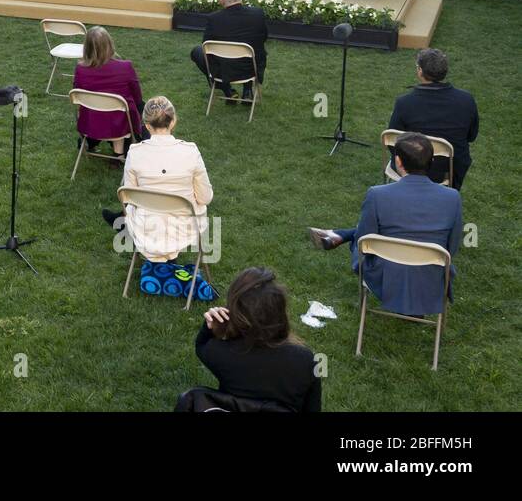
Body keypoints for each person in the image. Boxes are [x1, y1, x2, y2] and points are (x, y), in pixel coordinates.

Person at [308, 132, 463, 317]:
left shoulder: (377, 195)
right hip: (431, 279)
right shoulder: (452, 198)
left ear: (398, 162)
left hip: (386, 276)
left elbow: (364, 242)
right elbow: (452, 247)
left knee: (361, 239)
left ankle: (340, 235)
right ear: (432, 161)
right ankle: (340, 234)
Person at [195, 267, 321, 412]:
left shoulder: (220, 353)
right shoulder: (305, 360)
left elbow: (201, 346)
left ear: (234, 312)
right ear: (280, 312)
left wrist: (211, 325)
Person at [102, 96, 211, 262]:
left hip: (146, 228)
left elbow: (130, 198)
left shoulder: (135, 152)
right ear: (173, 121)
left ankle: (123, 225)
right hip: (185, 229)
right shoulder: (191, 151)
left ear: (146, 125)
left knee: (132, 208)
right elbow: (205, 197)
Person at [388, 48, 478, 189]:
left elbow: (393, 142)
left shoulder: (405, 103)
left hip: (412, 167)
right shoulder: (466, 100)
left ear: (420, 71)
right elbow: (471, 136)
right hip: (451, 168)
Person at [188, 0, 268, 101]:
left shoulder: (214, 19)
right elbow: (264, 37)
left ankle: (227, 90)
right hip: (250, 69)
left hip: (222, 70)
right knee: (254, 48)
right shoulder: (257, 14)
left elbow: (206, 46)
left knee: (197, 51)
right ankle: (247, 90)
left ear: (221, 1)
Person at [73, 25, 145, 156]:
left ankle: (90, 141)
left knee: (99, 109)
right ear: (109, 44)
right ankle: (120, 152)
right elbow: (137, 97)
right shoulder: (125, 67)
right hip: (120, 124)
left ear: (87, 47)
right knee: (138, 107)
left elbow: (77, 96)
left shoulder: (80, 69)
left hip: (90, 122)